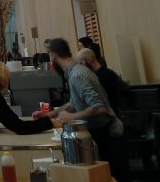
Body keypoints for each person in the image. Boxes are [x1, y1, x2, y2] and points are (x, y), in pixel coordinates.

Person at [34, 38, 130, 182]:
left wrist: (71, 117)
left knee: (115, 177)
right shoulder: (75, 72)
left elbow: (99, 107)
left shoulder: (77, 75)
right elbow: (75, 102)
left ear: (53, 55)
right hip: (101, 133)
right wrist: (51, 114)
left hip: (107, 135)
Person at [76, 48, 130, 116]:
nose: (81, 67)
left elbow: (105, 102)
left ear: (88, 60)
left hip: (112, 116)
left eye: (81, 63)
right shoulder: (99, 75)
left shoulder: (106, 75)